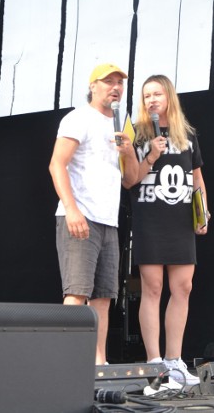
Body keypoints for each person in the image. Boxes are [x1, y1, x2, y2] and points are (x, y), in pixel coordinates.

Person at [122, 74, 209, 386]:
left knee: (183, 287)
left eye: (157, 94)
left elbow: (197, 178)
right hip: (150, 219)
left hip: (180, 220)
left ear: (169, 96)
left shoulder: (187, 135)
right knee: (153, 288)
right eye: (147, 96)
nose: (152, 100)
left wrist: (203, 211)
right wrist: (152, 154)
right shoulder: (138, 135)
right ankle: (154, 364)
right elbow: (129, 180)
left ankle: (175, 361)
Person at [49, 63, 138, 365]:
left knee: (103, 296)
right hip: (80, 215)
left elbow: (131, 180)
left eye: (120, 83)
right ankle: (68, 363)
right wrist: (72, 210)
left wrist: (129, 152)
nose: (115, 87)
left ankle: (98, 363)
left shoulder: (120, 127)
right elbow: (56, 164)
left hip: (108, 222)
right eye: (108, 81)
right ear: (93, 86)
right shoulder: (78, 118)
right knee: (76, 293)